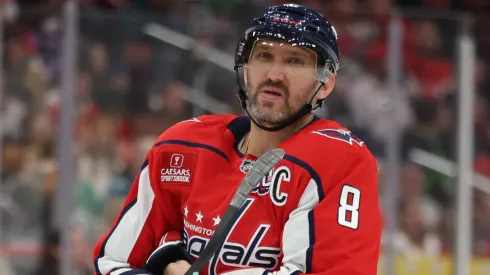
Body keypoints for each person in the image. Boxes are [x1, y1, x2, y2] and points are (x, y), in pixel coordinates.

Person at [93, 3, 382, 275]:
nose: (274, 74)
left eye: (295, 61)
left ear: (325, 83)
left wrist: (171, 263)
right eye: (264, 56)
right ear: (245, 66)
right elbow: (113, 263)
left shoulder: (339, 160)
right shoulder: (182, 147)